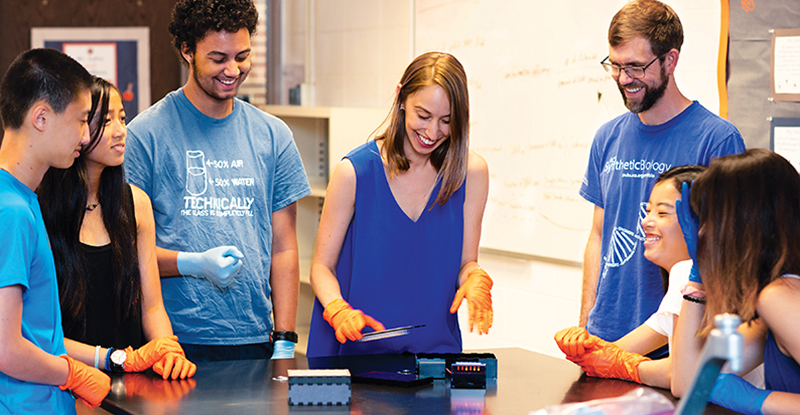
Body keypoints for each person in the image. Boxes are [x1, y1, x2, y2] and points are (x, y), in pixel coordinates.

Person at [125, 0, 311, 361]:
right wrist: (191, 262)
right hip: (173, 341)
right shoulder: (145, 136)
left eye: (242, 56)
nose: (232, 70)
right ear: (187, 52)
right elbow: (126, 252)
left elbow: (284, 248)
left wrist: (285, 340)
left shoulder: (273, 136)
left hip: (254, 339)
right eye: (218, 58)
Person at [579, 0, 745, 344]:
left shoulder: (717, 139)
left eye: (637, 67)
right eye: (616, 65)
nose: (624, 79)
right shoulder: (606, 137)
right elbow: (598, 235)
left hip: (675, 341)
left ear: (670, 59)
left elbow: (728, 251)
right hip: (605, 337)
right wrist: (586, 325)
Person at [306, 51, 492, 357]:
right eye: (423, 115)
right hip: (358, 358)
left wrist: (475, 278)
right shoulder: (354, 172)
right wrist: (338, 309)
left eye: (447, 121)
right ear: (401, 98)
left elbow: (464, 264)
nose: (432, 133)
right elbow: (321, 267)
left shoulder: (471, 173)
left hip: (435, 360)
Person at [38, 77, 196, 380]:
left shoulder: (137, 203)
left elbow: (152, 309)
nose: (121, 131)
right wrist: (114, 359)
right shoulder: (40, 208)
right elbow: (36, 333)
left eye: (122, 118)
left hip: (129, 383)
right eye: (106, 121)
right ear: (78, 129)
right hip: (63, 380)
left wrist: (168, 351)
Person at [0, 48, 110, 412]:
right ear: (41, 117)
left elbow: (38, 333)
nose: (85, 137)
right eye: (81, 120)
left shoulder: (23, 200)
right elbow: (6, 347)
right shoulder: (10, 211)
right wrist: (71, 374)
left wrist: (107, 359)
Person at [673, 149, 800, 414]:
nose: (703, 232)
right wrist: (698, 280)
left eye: (709, 218)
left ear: (745, 222)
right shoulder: (773, 295)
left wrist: (759, 401)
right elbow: (689, 383)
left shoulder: (779, 296)